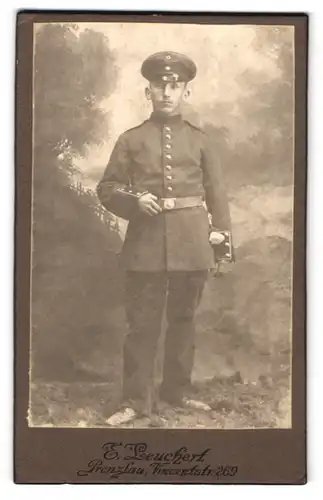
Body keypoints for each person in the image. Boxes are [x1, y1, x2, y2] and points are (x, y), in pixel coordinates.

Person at [96, 51, 233, 426]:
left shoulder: (201, 141)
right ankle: (136, 401)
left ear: (186, 92)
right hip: (146, 244)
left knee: (184, 320)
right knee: (142, 323)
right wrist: (135, 200)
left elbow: (216, 194)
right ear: (148, 91)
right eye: (160, 85)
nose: (167, 92)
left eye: (175, 86)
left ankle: (178, 392)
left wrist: (222, 245)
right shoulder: (130, 140)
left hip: (192, 242)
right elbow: (106, 189)